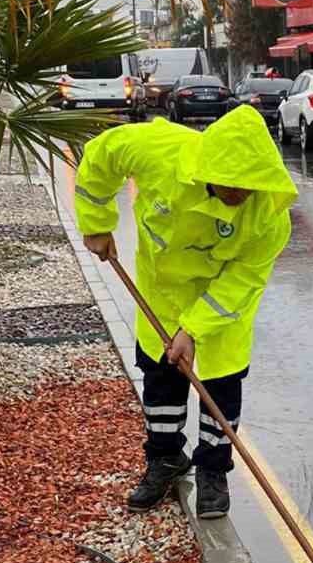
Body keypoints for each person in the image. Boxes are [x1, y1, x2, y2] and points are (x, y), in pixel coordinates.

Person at [74, 105, 297, 518]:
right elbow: (100, 156)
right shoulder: (159, 150)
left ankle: (213, 470)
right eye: (231, 184)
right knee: (161, 380)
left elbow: (243, 282)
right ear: (208, 167)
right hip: (161, 291)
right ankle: (165, 459)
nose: (239, 193)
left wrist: (193, 330)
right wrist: (96, 223)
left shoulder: (270, 217)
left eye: (250, 185)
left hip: (218, 306)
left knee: (220, 385)